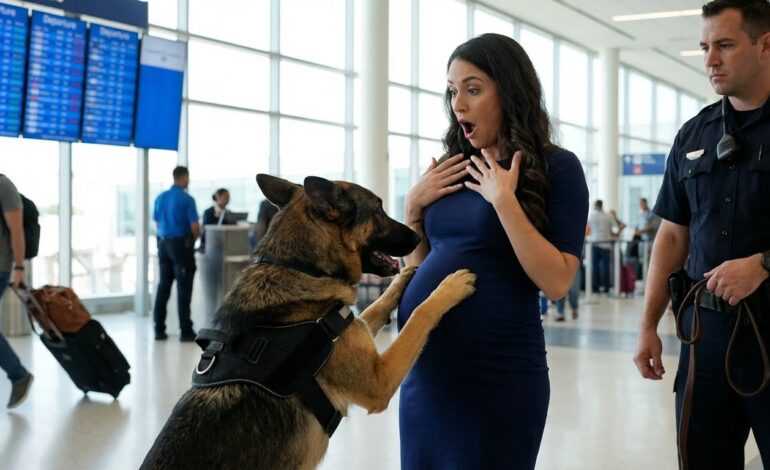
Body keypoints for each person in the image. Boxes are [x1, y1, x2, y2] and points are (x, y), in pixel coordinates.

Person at [397, 33, 588, 469]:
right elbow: (421, 270)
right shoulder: (454, 167)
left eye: (473, 88)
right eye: (452, 90)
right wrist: (412, 211)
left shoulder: (557, 167)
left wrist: (504, 202)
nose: (458, 104)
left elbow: (557, 282)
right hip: (427, 376)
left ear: (510, 90)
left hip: (498, 377)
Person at [633, 2, 770, 468]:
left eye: (725, 45)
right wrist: (647, 325)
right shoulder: (694, 134)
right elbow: (672, 236)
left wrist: (764, 264)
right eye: (705, 47)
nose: (710, 59)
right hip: (705, 340)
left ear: (764, 44)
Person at [152, 166, 200, 341]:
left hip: (163, 244)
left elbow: (156, 221)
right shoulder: (187, 199)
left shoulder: (160, 198)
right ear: (184, 177)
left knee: (163, 287)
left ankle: (159, 329)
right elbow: (195, 227)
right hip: (181, 246)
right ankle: (185, 330)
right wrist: (191, 242)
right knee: (184, 289)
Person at [0, 174, 33, 408]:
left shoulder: (3, 185)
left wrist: (19, 268)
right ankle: (18, 375)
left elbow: (17, 231)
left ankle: (19, 375)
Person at [587, 200, 613, 293]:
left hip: (595, 243)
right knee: (606, 267)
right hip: (606, 244)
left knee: (595, 267)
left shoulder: (592, 215)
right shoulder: (608, 216)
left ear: (595, 205)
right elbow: (613, 228)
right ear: (602, 205)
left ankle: (595, 288)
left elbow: (588, 228)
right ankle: (606, 288)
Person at [199, 188, 234, 253]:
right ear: (218, 197)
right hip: (210, 245)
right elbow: (206, 230)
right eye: (226, 197)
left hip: (226, 245)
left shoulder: (229, 212)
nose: (228, 199)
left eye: (228, 197)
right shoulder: (208, 212)